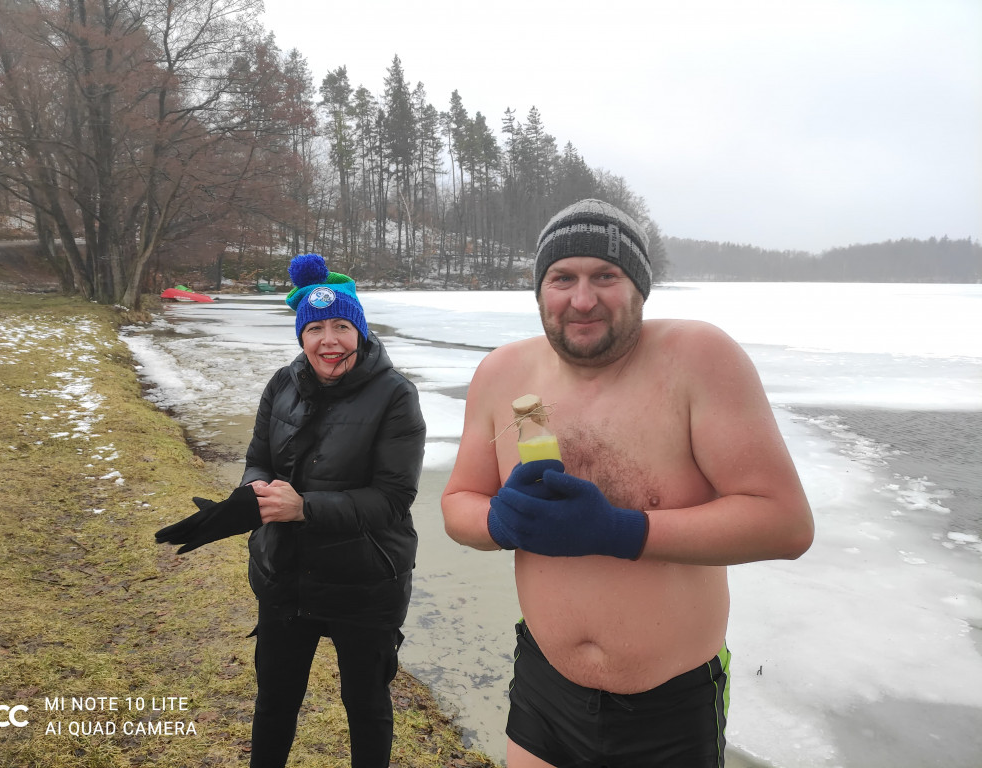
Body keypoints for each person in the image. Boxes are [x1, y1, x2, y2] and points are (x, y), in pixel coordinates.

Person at [441, 199, 814, 768]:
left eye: (605, 276)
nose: (582, 299)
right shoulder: (501, 374)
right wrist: (497, 521)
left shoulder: (698, 359)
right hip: (545, 683)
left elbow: (785, 524)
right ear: (540, 289)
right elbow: (457, 503)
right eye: (562, 278)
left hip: (670, 703)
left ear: (639, 286)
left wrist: (620, 530)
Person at [157, 253, 426, 768]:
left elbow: (393, 498)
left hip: (366, 581)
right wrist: (250, 501)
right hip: (284, 574)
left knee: (366, 707)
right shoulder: (282, 384)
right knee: (276, 700)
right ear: (301, 336)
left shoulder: (396, 395)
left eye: (343, 326)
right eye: (317, 328)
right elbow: (258, 458)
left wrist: (303, 507)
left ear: (360, 331)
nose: (330, 340)